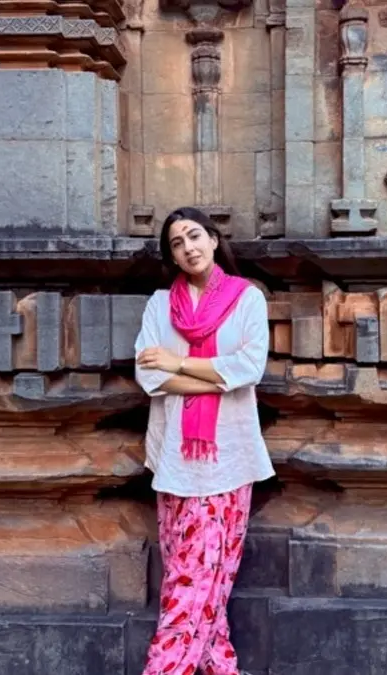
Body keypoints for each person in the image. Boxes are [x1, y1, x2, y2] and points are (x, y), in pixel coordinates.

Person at [133, 207, 273, 675]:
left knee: (197, 583)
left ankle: (164, 668)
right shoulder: (160, 305)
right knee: (191, 579)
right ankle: (220, 668)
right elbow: (148, 375)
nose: (188, 247)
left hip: (230, 459)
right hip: (175, 458)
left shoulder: (247, 300)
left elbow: (249, 368)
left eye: (194, 236)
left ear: (213, 240)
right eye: (176, 243)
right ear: (171, 255)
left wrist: (177, 363)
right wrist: (213, 375)